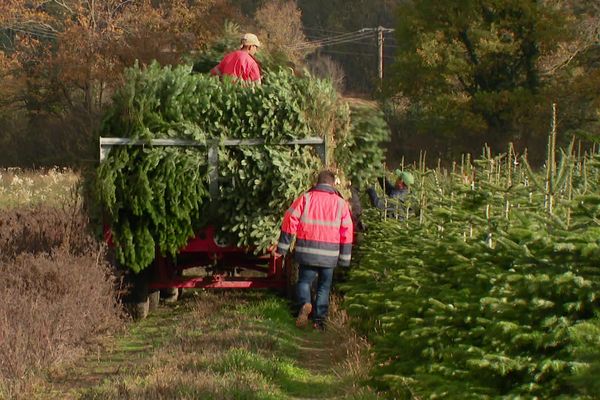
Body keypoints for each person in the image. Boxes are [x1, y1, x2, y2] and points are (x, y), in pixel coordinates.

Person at [276, 170, 354, 331]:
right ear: (332, 184)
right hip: (330, 255)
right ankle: (319, 323)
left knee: (304, 281)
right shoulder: (341, 204)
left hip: (307, 251)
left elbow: (290, 220)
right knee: (324, 287)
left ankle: (305, 303)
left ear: (317, 182)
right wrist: (345, 259)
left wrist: (282, 248)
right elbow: (347, 231)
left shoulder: (305, 198)